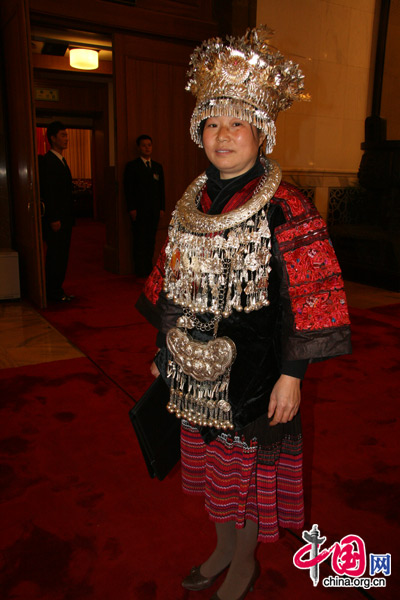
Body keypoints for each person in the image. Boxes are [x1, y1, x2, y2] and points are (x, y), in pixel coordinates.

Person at [136, 26, 352, 600]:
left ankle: (244, 561)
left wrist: (293, 375)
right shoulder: (191, 202)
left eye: (237, 123)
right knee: (210, 471)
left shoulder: (288, 205)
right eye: (212, 122)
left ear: (262, 131)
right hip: (192, 371)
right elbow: (172, 286)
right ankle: (222, 546)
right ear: (197, 131)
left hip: (256, 378)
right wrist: (163, 354)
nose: (223, 135)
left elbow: (312, 295)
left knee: (246, 478)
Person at [39, 121, 74, 303]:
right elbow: (50, 192)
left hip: (65, 217)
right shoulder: (49, 162)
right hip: (57, 219)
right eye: (62, 135)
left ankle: (57, 289)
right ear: (52, 138)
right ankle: (53, 291)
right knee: (55, 255)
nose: (66, 139)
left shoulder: (61, 160)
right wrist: (53, 217)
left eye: (66, 135)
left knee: (62, 255)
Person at [123, 135, 165, 277]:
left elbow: (161, 190)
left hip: (153, 210)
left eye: (149, 145)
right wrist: (131, 209)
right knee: (139, 240)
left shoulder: (157, 167)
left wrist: (161, 208)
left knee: (150, 240)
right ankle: (139, 270)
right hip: (139, 211)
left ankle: (148, 267)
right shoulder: (132, 166)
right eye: (144, 145)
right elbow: (128, 189)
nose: (147, 148)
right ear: (138, 148)